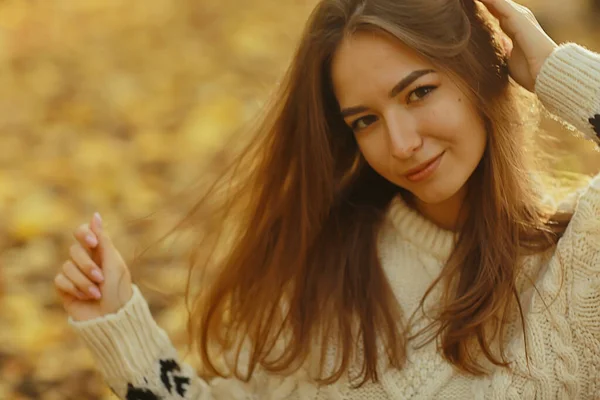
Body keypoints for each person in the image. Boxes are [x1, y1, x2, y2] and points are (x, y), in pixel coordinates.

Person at [54, 0, 600, 398]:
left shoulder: (582, 254)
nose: (401, 144)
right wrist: (125, 335)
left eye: (419, 92)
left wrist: (558, 71)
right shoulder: (331, 271)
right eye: (365, 120)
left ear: (485, 73)